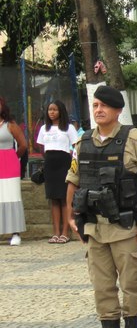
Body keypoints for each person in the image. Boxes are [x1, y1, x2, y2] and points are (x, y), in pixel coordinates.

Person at [65, 85, 137, 328]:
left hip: (125, 226)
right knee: (102, 285)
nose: (98, 110)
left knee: (130, 283)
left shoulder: (135, 138)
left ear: (118, 110)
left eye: (104, 106)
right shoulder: (83, 141)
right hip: (94, 227)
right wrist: (72, 216)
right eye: (95, 105)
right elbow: (73, 179)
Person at [36, 101, 79, 244]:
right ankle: (56, 233)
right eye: (50, 110)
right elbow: (41, 147)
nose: (52, 112)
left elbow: (76, 147)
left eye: (55, 109)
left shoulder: (69, 128)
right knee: (53, 199)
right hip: (50, 164)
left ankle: (65, 232)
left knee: (64, 198)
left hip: (64, 163)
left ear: (61, 111)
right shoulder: (44, 128)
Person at [0, 97, 28, 246]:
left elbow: (23, 145)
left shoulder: (10, 124)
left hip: (9, 165)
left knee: (12, 196)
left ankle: (15, 233)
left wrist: (13, 157)